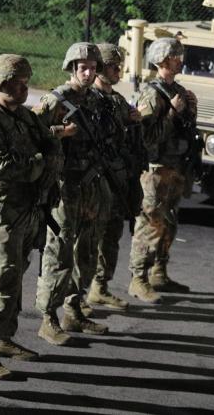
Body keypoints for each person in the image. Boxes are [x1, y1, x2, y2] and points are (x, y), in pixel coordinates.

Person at [0, 54, 62, 380]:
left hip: (26, 208)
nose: (26, 87)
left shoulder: (23, 116)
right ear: (3, 82)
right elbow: (1, 164)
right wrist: (39, 164)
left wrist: (49, 149)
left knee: (16, 277)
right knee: (3, 281)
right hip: (1, 210)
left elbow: (48, 141)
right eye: (20, 82)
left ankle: (2, 338)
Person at [32, 42, 111, 340]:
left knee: (87, 249)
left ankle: (74, 310)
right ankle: (47, 317)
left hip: (91, 184)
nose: (88, 73)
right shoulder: (56, 100)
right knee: (59, 251)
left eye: (92, 68)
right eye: (82, 68)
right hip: (64, 187)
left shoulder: (97, 100)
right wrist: (59, 133)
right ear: (72, 69)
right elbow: (31, 134)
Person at [128, 37, 199, 303]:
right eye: (175, 56)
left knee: (168, 222)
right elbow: (146, 137)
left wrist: (189, 109)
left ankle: (159, 271)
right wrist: (171, 113)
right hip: (155, 171)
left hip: (175, 167)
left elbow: (187, 130)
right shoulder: (152, 94)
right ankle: (138, 279)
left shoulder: (177, 90)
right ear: (162, 61)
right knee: (149, 225)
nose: (180, 60)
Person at [88, 43, 144, 310]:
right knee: (88, 241)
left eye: (119, 66)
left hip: (119, 181)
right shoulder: (90, 101)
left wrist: (134, 120)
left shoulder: (117, 100)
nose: (118, 71)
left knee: (111, 236)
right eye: (113, 66)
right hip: (98, 181)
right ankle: (77, 295)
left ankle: (100, 287)